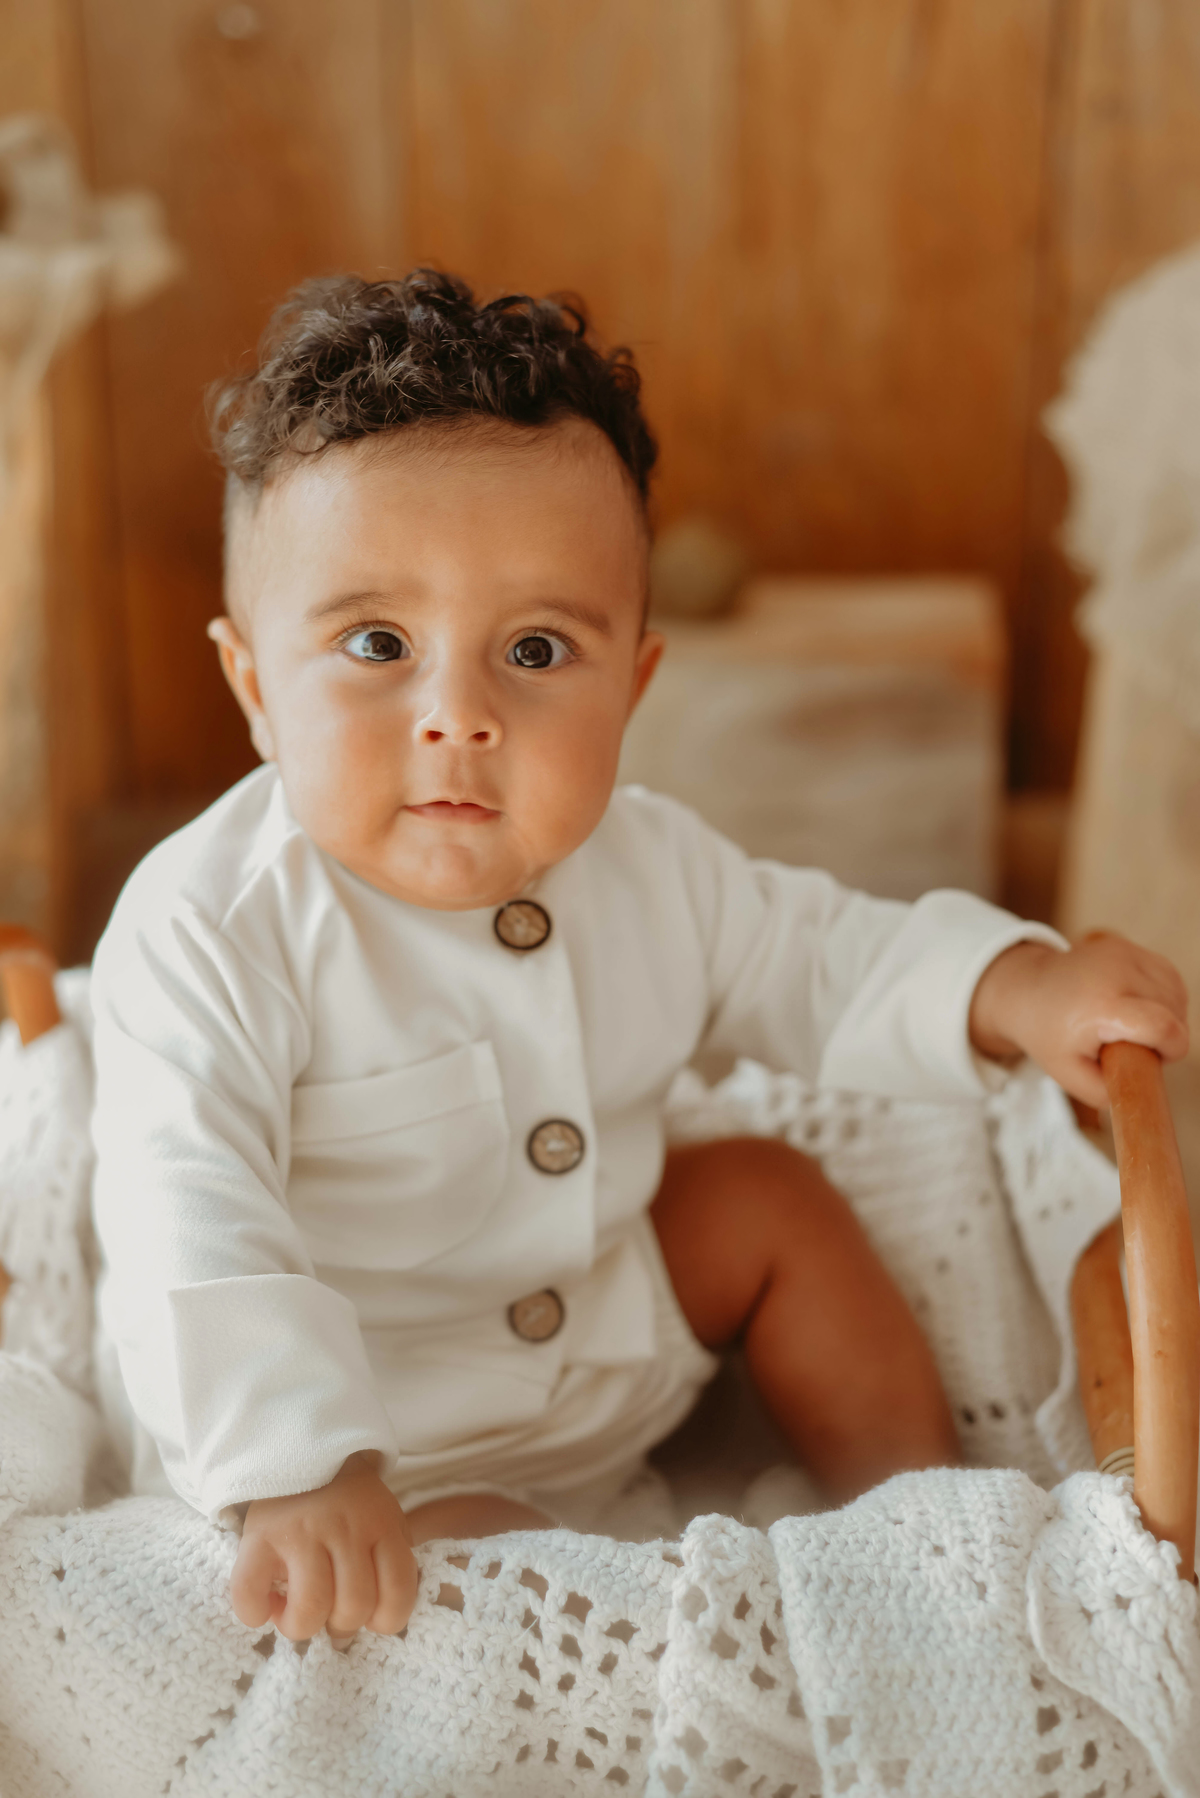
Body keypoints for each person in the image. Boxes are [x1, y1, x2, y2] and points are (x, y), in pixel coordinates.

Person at [89, 269, 1188, 1647]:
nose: (458, 715)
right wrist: (298, 1464)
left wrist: (1012, 986)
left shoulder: (649, 864)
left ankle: (918, 1531)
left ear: (634, 687)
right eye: (377, 643)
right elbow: (186, 1208)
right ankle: (650, 1637)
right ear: (254, 686)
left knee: (770, 1197)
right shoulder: (210, 928)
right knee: (506, 1573)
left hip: (604, 1331)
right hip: (386, 1453)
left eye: (536, 649)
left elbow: (818, 957)